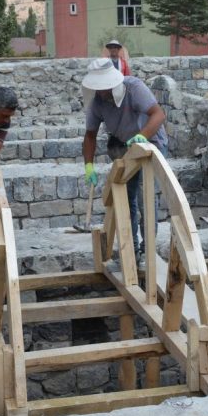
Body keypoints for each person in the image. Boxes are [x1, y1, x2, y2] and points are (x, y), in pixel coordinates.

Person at [81, 58, 167, 265]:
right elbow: (90, 135)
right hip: (124, 147)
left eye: (105, 89)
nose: (102, 93)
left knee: (146, 195)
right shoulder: (97, 103)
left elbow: (158, 114)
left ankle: (148, 251)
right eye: (99, 89)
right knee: (127, 198)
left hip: (150, 143)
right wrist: (88, 165)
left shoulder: (133, 88)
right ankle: (132, 250)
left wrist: (143, 136)